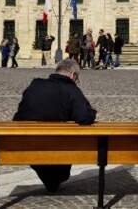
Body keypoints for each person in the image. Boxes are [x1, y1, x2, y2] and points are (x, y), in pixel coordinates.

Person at [13, 59, 97, 192]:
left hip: (27, 142)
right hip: (57, 145)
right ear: (73, 75)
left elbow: (21, 113)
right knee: (67, 141)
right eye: (77, 79)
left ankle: (51, 180)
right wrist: (92, 111)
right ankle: (53, 179)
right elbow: (84, 117)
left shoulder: (35, 85)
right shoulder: (71, 89)